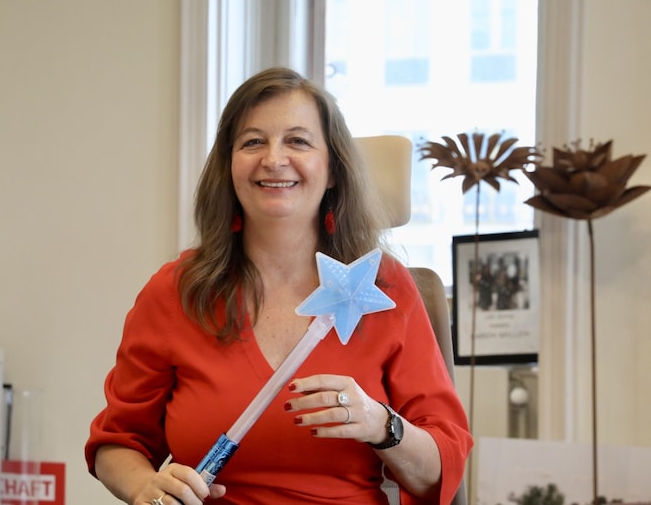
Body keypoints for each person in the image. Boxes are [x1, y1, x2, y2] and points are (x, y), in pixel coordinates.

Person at [85, 67, 472, 505]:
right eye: (252, 141)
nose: (273, 159)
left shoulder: (386, 288)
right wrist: (143, 485)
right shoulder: (177, 291)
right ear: (229, 167)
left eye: (298, 141)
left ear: (332, 171)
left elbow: (442, 471)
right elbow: (117, 441)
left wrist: (381, 424)